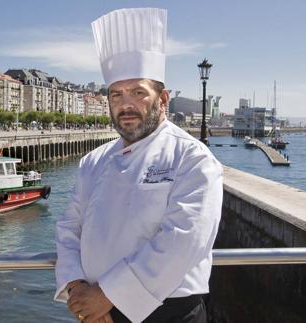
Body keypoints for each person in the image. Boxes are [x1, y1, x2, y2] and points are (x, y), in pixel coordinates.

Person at [54, 8, 223, 323]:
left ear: (163, 99)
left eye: (138, 93)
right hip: (93, 312)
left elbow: (184, 240)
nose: (125, 104)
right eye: (116, 95)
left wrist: (108, 296)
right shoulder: (93, 161)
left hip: (168, 314)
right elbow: (68, 228)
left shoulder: (192, 158)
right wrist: (78, 289)